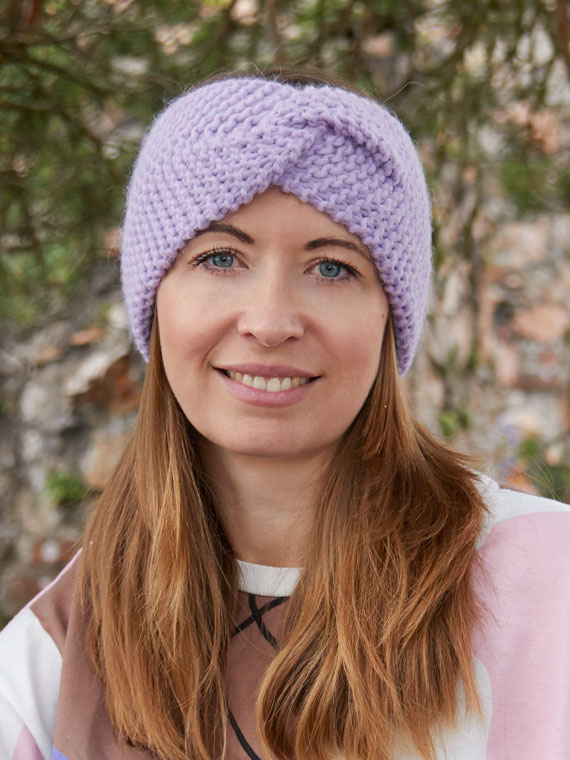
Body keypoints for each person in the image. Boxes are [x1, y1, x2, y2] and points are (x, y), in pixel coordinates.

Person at [1, 66, 569, 760]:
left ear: (390, 318)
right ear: (155, 302)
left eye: (331, 267)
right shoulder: (55, 656)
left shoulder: (551, 588)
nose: (270, 322)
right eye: (220, 258)